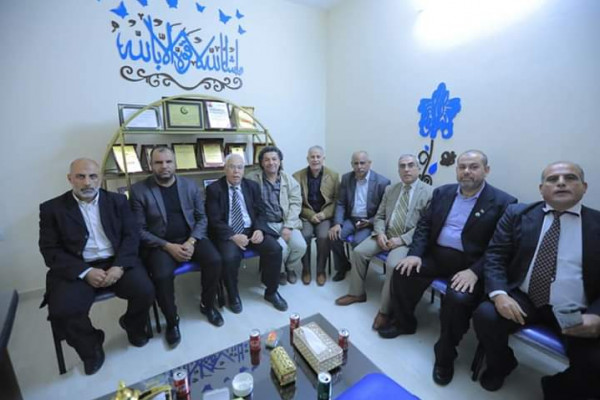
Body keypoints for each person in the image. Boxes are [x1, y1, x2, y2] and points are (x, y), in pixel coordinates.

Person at [379, 150, 517, 388]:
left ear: (486, 170)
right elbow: (424, 226)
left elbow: (500, 247)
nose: (466, 172)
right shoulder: (442, 193)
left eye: (473, 167)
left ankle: (445, 354)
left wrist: (475, 271)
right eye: (462, 167)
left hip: (470, 264)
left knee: (457, 299)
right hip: (437, 255)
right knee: (403, 270)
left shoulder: (504, 202)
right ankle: (404, 322)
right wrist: (415, 255)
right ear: (456, 170)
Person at [472, 161, 600, 398]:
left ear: (584, 187)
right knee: (485, 315)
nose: (561, 183)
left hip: (575, 309)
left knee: (594, 362)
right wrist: (499, 295)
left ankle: (557, 386)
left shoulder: (597, 224)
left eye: (570, 178)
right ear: (541, 189)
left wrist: (596, 315)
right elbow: (496, 255)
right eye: (552, 179)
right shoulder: (517, 214)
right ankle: (502, 364)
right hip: (525, 298)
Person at [39, 158, 155, 375]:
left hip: (115, 261)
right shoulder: (52, 209)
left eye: (93, 176)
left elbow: (131, 236)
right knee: (64, 310)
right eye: (80, 177)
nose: (87, 182)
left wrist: (119, 266)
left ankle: (132, 324)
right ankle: (91, 347)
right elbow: (50, 250)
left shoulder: (118, 201)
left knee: (145, 289)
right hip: (77, 266)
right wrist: (85, 272)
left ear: (100, 178)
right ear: (70, 179)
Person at [129, 147, 223, 348]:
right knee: (161, 276)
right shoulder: (139, 191)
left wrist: (191, 241)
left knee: (214, 260)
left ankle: (207, 305)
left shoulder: (189, 185)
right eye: (158, 162)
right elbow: (139, 230)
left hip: (191, 238)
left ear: (175, 163)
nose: (164, 166)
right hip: (160, 244)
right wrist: (168, 246)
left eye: (168, 162)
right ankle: (172, 321)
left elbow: (201, 218)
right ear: (150, 165)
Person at [335, 154, 433, 330]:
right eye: (402, 166)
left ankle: (384, 311)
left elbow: (425, 226)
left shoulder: (429, 193)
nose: (406, 169)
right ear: (398, 170)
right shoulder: (391, 189)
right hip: (385, 235)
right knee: (358, 252)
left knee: (392, 265)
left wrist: (401, 240)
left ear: (418, 169)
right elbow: (380, 216)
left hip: (405, 241)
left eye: (411, 165)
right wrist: (379, 233)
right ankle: (356, 293)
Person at [205, 153, 288, 313]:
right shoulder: (214, 189)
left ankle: (271, 292)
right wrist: (233, 236)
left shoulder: (252, 186)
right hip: (229, 232)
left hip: (251, 229)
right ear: (225, 169)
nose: (236, 171)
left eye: (240, 167)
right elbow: (214, 220)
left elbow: (261, 212)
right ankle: (233, 295)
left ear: (244, 170)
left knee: (275, 249)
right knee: (229, 257)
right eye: (232, 167)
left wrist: (259, 229)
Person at [247, 146, 307, 285]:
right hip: (266, 225)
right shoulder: (252, 179)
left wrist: (288, 226)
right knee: (281, 248)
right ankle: (279, 271)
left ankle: (290, 267)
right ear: (261, 163)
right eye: (266, 160)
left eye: (274, 159)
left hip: (286, 221)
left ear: (280, 161)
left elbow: (296, 204)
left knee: (300, 246)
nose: (271, 162)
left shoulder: (289, 180)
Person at [328, 151, 391, 281]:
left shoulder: (382, 182)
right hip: (351, 219)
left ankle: (360, 274)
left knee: (358, 243)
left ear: (369, 163)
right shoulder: (347, 178)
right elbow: (340, 203)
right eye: (356, 163)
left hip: (368, 221)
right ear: (352, 164)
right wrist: (337, 223)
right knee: (334, 236)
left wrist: (370, 222)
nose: (359, 166)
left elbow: (384, 211)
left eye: (362, 163)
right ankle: (343, 266)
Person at [293, 146, 340, 286]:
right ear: (307, 159)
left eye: (318, 156)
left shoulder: (333, 175)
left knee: (324, 236)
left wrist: (324, 214)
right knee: (305, 235)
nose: (315, 159)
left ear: (323, 158)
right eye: (312, 157)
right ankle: (306, 270)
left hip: (324, 215)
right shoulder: (297, 176)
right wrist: (310, 215)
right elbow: (295, 201)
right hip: (306, 214)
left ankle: (320, 271)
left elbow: (337, 200)